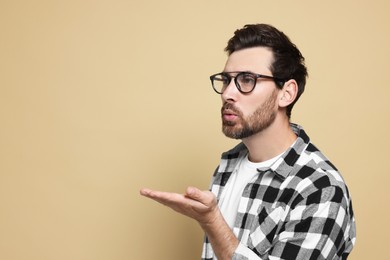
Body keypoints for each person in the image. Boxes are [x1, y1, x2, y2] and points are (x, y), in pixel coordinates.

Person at [140, 24, 356, 260]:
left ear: (286, 93)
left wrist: (212, 221)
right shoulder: (229, 165)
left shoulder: (320, 189)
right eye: (226, 80)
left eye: (247, 80)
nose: (227, 94)